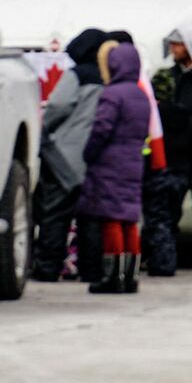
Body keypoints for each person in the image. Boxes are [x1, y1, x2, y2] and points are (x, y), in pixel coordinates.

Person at [34, 28, 108, 282]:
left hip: (63, 155)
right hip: (96, 157)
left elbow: (57, 105)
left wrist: (46, 129)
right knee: (91, 218)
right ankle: (91, 269)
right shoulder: (107, 78)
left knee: (55, 214)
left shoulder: (75, 75)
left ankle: (47, 267)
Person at [79, 40, 151, 294]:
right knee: (130, 219)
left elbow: (102, 128)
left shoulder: (113, 93)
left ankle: (112, 277)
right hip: (133, 161)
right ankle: (130, 276)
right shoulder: (141, 94)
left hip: (110, 163)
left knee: (111, 218)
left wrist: (88, 153)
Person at [146, 24, 192, 277]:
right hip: (174, 149)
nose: (172, 49)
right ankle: (163, 255)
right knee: (169, 207)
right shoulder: (168, 76)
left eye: (177, 44)